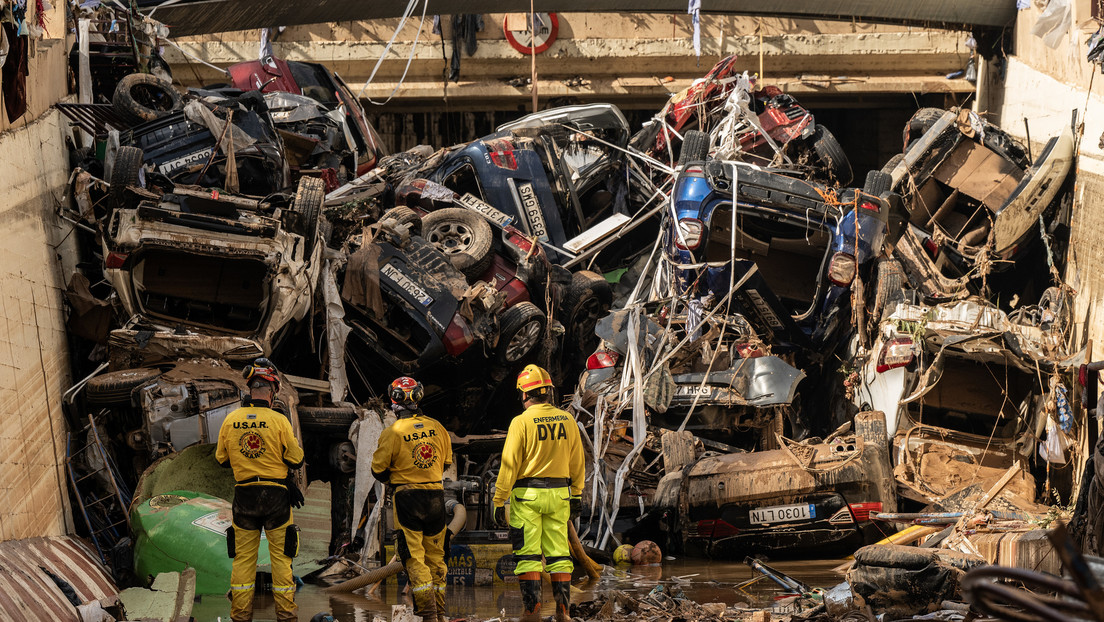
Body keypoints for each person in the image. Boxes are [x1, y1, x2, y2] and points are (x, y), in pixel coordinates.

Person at [493, 364, 586, 622]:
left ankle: (532, 612)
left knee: (528, 556)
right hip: (559, 495)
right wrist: (577, 494)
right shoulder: (567, 420)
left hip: (528, 498)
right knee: (560, 554)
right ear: (548, 392)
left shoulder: (521, 422)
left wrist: (499, 499)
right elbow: (577, 461)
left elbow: (509, 465)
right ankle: (563, 612)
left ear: (524, 393)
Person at [215, 357, 305, 622]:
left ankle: (240, 616)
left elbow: (221, 459)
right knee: (281, 559)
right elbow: (296, 458)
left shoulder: (231, 420)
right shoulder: (279, 421)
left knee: (243, 560)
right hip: (276, 497)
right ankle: (286, 615)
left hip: (245, 497)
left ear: (250, 388)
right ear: (273, 389)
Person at [372, 377, 454, 622]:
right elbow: (446, 463)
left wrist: (400, 476)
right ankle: (440, 613)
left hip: (407, 498)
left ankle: (428, 615)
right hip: (436, 496)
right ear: (418, 398)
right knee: (437, 557)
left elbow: (378, 470)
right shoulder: (437, 428)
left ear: (394, 400)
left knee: (414, 557)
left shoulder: (393, 433)